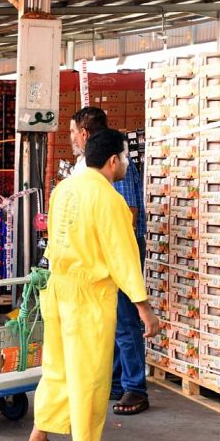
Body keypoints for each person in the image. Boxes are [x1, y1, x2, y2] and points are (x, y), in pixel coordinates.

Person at [23, 129, 160, 441]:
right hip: (88, 298)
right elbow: (123, 257)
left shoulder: (63, 189)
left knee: (58, 369)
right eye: (125, 158)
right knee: (89, 375)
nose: (126, 163)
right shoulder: (108, 198)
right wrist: (144, 308)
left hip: (58, 289)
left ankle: (38, 437)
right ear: (113, 160)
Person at [67, 107, 149, 415]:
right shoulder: (90, 168)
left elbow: (127, 218)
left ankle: (135, 388)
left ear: (85, 134)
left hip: (121, 248)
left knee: (127, 319)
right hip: (107, 251)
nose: (72, 137)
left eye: (74, 132)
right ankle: (117, 380)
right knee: (114, 318)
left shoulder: (114, 164)